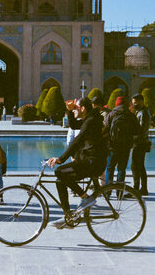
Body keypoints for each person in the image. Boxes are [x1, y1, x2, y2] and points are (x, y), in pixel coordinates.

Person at [47, 97, 107, 229]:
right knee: (60, 180)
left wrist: (61, 158)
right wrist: (69, 111)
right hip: (91, 160)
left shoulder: (91, 121)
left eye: (76, 108)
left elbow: (77, 140)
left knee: (59, 171)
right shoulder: (90, 119)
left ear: (83, 108)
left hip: (93, 162)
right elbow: (74, 125)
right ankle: (68, 217)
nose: (74, 110)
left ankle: (86, 198)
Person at [104, 96, 140, 186]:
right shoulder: (131, 116)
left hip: (112, 146)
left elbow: (105, 130)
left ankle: (107, 191)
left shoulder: (111, 115)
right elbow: (137, 131)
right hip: (126, 147)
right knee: (121, 169)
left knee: (109, 169)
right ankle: (119, 192)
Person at [131, 94, 151, 196]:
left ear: (141, 101)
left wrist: (131, 136)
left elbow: (141, 129)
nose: (134, 105)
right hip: (139, 142)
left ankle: (137, 189)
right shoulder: (140, 112)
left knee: (135, 166)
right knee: (139, 166)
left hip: (140, 143)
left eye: (136, 103)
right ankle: (142, 188)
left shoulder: (143, 113)